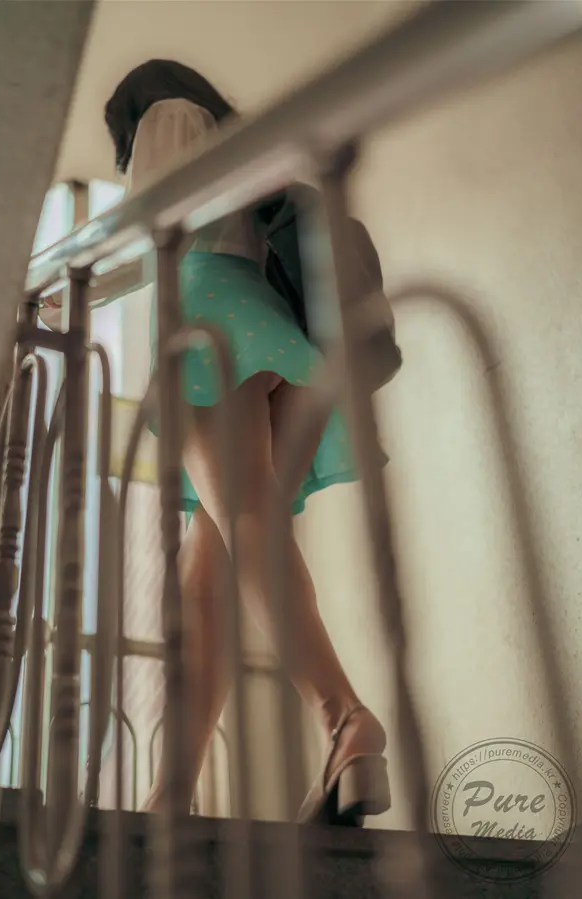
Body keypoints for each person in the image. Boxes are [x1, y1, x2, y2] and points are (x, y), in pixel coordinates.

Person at [105, 59, 395, 825]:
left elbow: (150, 228)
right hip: (274, 335)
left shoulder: (166, 111)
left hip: (209, 321)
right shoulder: (238, 145)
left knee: (243, 526)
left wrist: (54, 290)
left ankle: (344, 718)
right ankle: (173, 789)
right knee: (208, 574)